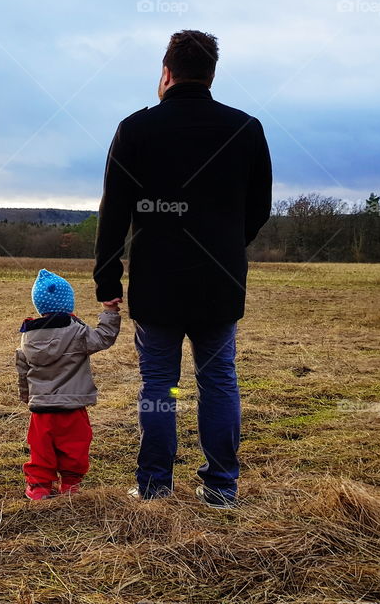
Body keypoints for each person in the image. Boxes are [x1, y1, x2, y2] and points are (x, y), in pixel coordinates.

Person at [94, 30, 272, 509]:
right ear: (211, 75)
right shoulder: (246, 129)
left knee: (160, 385)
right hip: (220, 281)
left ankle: (154, 486)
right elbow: (259, 208)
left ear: (166, 73)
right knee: (218, 381)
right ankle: (221, 489)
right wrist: (228, 248)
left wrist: (106, 280)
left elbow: (114, 213)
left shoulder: (135, 129)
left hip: (157, 283)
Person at [15, 269, 121, 500]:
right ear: (69, 305)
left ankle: (39, 487)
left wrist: (27, 396)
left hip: (41, 410)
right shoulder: (78, 332)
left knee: (41, 448)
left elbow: (23, 371)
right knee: (75, 447)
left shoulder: (28, 337)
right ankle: (71, 485)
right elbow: (104, 337)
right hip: (73, 406)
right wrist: (109, 311)